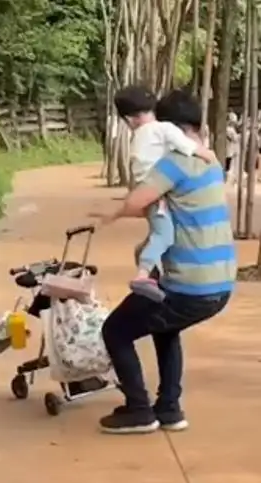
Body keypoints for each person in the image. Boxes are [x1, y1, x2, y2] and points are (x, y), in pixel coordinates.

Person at [89, 89, 234, 435]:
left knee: (116, 330)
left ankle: (139, 410)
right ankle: (169, 408)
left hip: (189, 286)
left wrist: (109, 215)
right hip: (220, 284)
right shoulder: (212, 163)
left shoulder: (173, 163)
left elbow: (139, 201)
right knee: (165, 328)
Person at [111, 85, 216, 302]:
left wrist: (115, 214)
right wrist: (207, 154)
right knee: (163, 236)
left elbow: (137, 197)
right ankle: (144, 275)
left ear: (129, 120)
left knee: (154, 238)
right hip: (157, 195)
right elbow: (186, 145)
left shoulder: (139, 137)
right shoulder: (165, 132)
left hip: (149, 192)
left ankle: (148, 271)